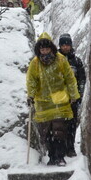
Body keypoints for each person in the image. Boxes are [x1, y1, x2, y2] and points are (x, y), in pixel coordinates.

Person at [26, 32, 80, 166]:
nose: (44, 51)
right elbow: (31, 80)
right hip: (43, 103)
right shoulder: (35, 63)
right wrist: (31, 95)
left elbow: (69, 78)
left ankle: (60, 156)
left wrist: (73, 95)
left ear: (51, 48)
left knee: (59, 130)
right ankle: (52, 156)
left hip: (59, 101)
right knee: (46, 132)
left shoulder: (61, 59)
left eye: (46, 48)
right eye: (42, 49)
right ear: (39, 49)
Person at [58, 34, 86, 157]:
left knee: (72, 124)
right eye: (63, 45)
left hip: (73, 99)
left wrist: (79, 95)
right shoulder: (55, 60)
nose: (65, 47)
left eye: (67, 45)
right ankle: (61, 148)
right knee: (59, 124)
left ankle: (70, 147)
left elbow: (82, 79)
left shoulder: (76, 61)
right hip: (58, 98)